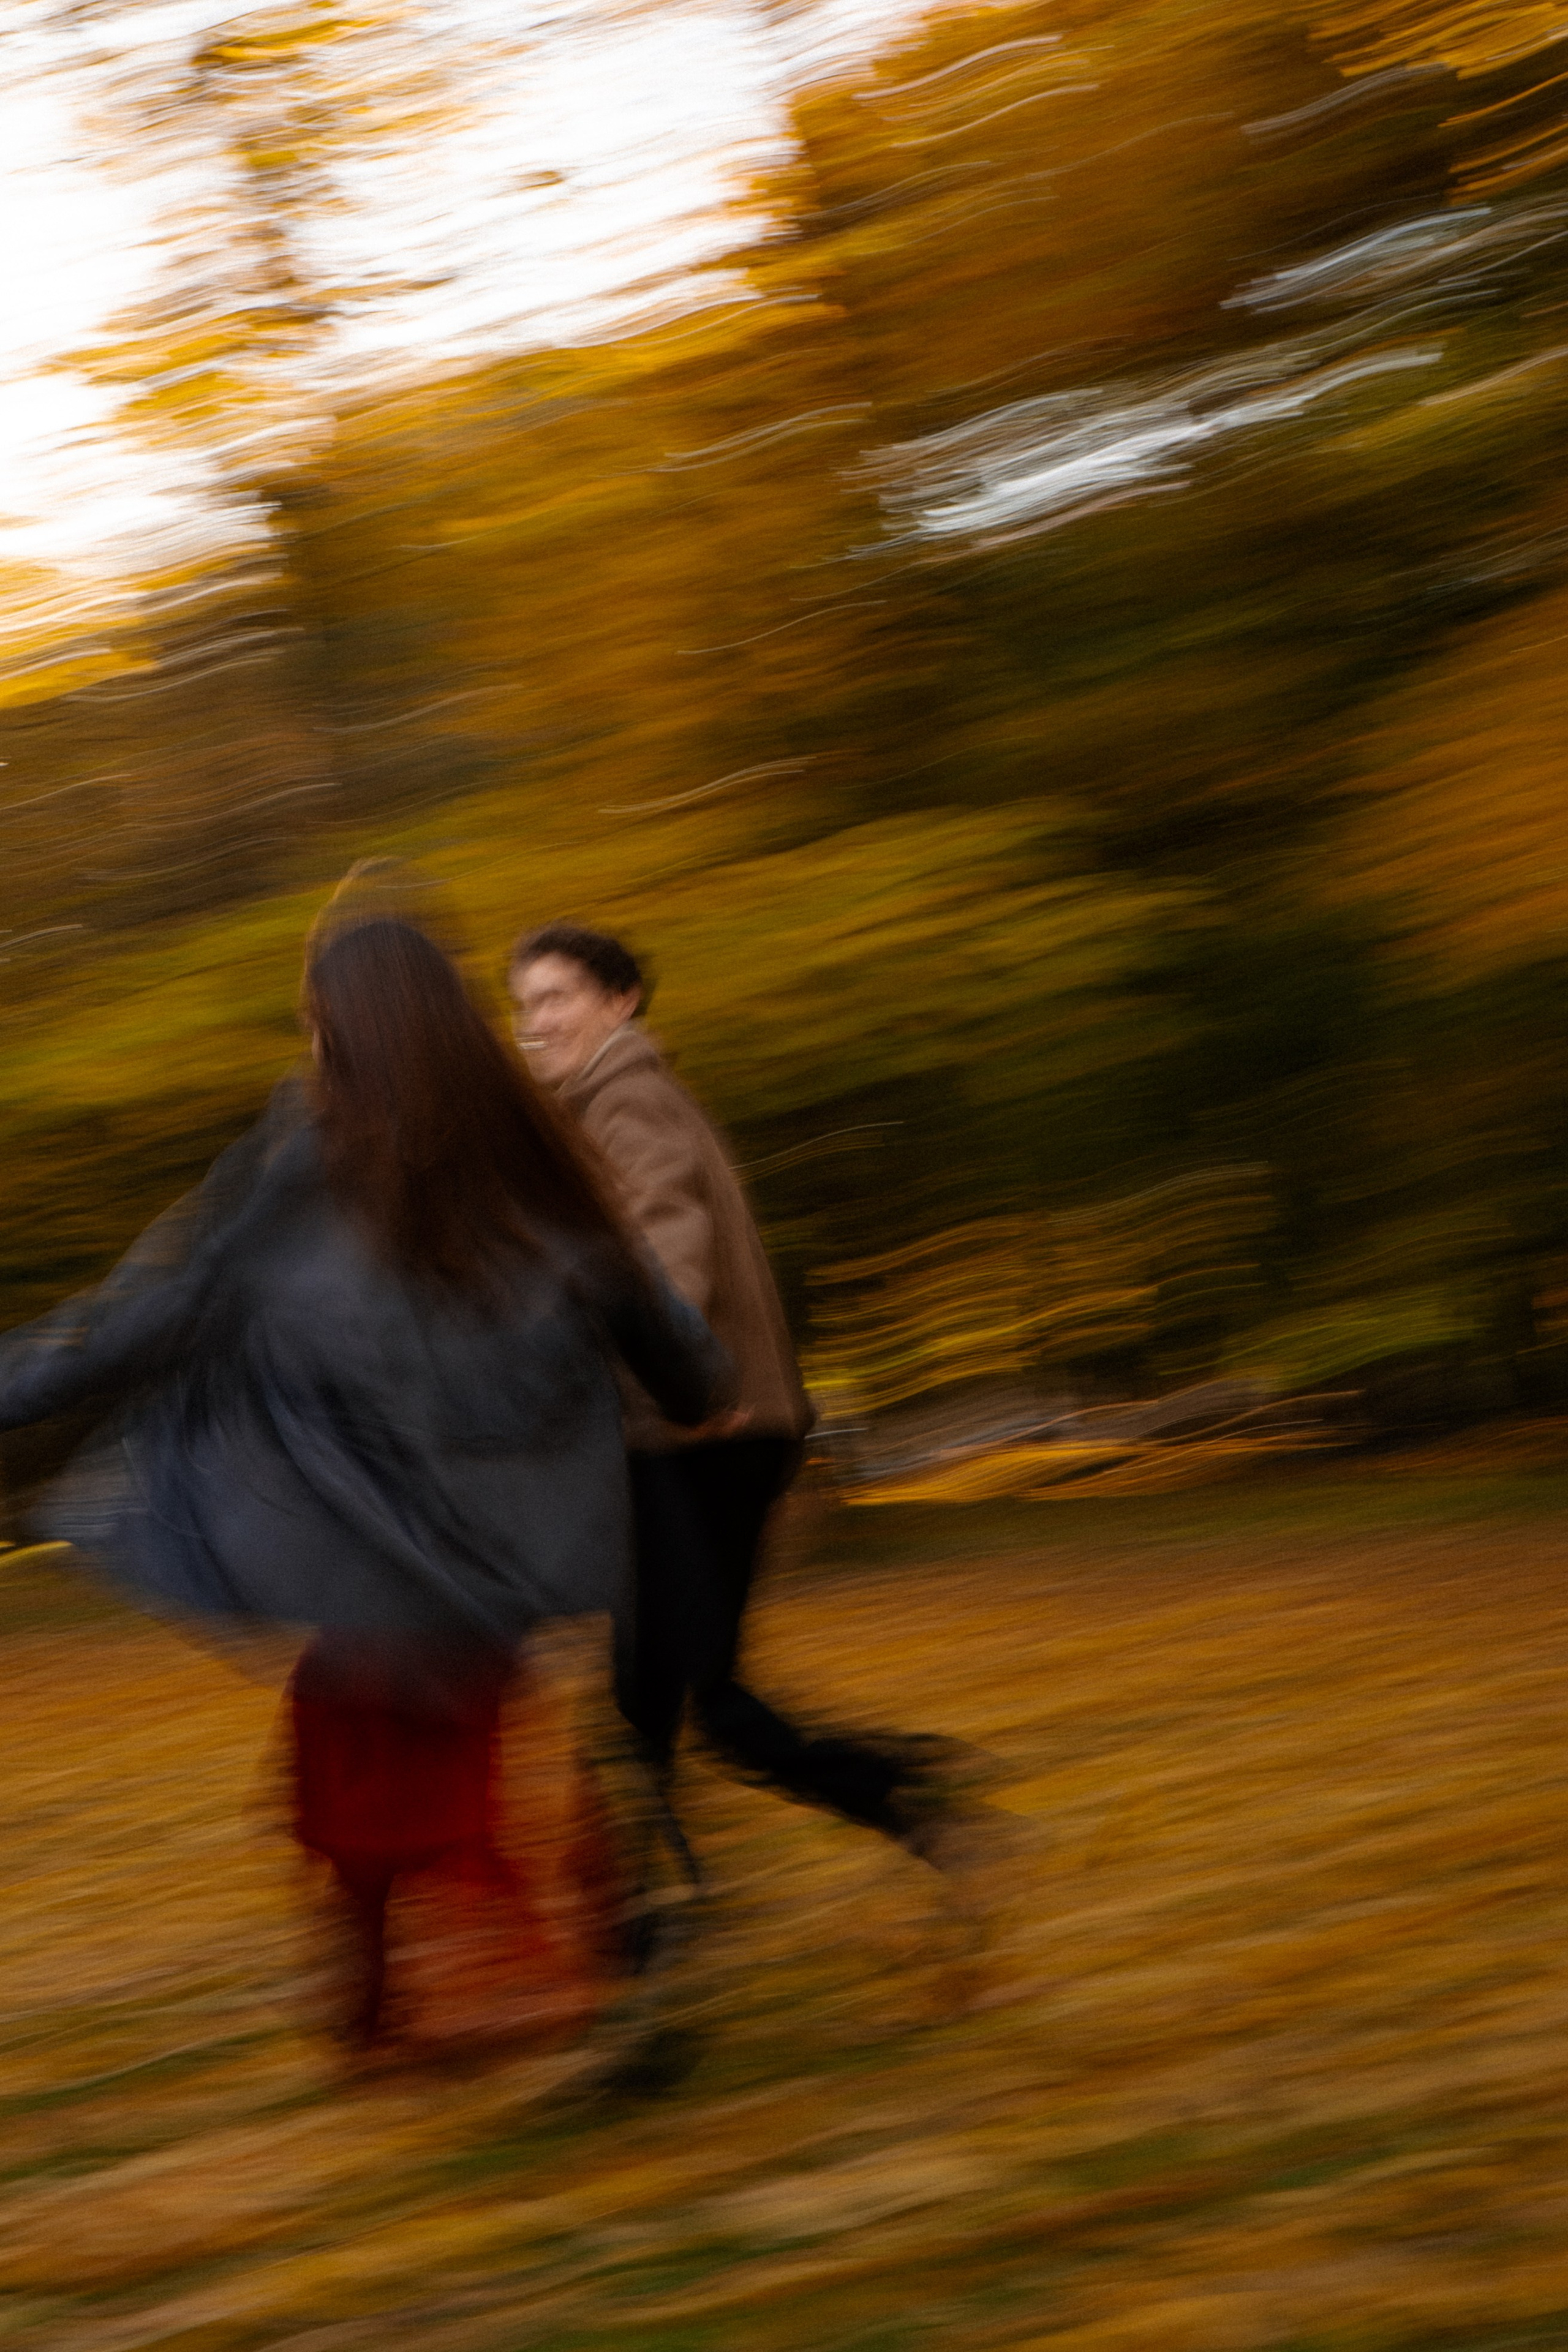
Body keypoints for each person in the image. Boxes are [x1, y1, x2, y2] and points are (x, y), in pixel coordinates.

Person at [0, 908, 729, 2050]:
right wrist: (696, 1392)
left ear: (332, 1029)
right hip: (494, 1565)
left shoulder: (305, 1164)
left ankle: (503, 1990)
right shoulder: (531, 1157)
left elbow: (154, 1317)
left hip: (371, 1550)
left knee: (381, 1783)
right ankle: (428, 1998)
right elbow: (649, 1313)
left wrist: (16, 1384)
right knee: (403, 1767)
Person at [508, 922, 977, 1864]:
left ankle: (916, 1808)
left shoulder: (625, 1102)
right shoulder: (624, 1100)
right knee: (648, 1694)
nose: (535, 1023)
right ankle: (656, 1920)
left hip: (694, 1434)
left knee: (697, 1699)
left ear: (620, 1000)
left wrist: (684, 1381)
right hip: (709, 1432)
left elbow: (667, 1254)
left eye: (555, 998)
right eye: (524, 1006)